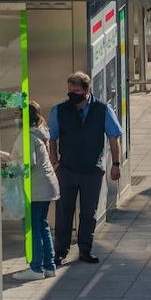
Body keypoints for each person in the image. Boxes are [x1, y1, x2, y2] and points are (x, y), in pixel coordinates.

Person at [48, 71, 123, 266]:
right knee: (64, 211)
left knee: (89, 212)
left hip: (92, 170)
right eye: (69, 91)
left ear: (87, 90)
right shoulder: (60, 110)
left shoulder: (103, 110)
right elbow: (52, 138)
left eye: (76, 91)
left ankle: (85, 249)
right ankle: (60, 252)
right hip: (67, 169)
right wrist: (55, 162)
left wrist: (116, 164)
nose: (72, 95)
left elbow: (114, 138)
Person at [13, 101, 60, 281]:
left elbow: (28, 163)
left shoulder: (27, 136)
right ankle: (49, 266)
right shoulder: (40, 132)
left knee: (33, 227)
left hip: (37, 189)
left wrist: (9, 168)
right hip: (46, 186)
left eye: (17, 115)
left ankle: (36, 268)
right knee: (42, 225)